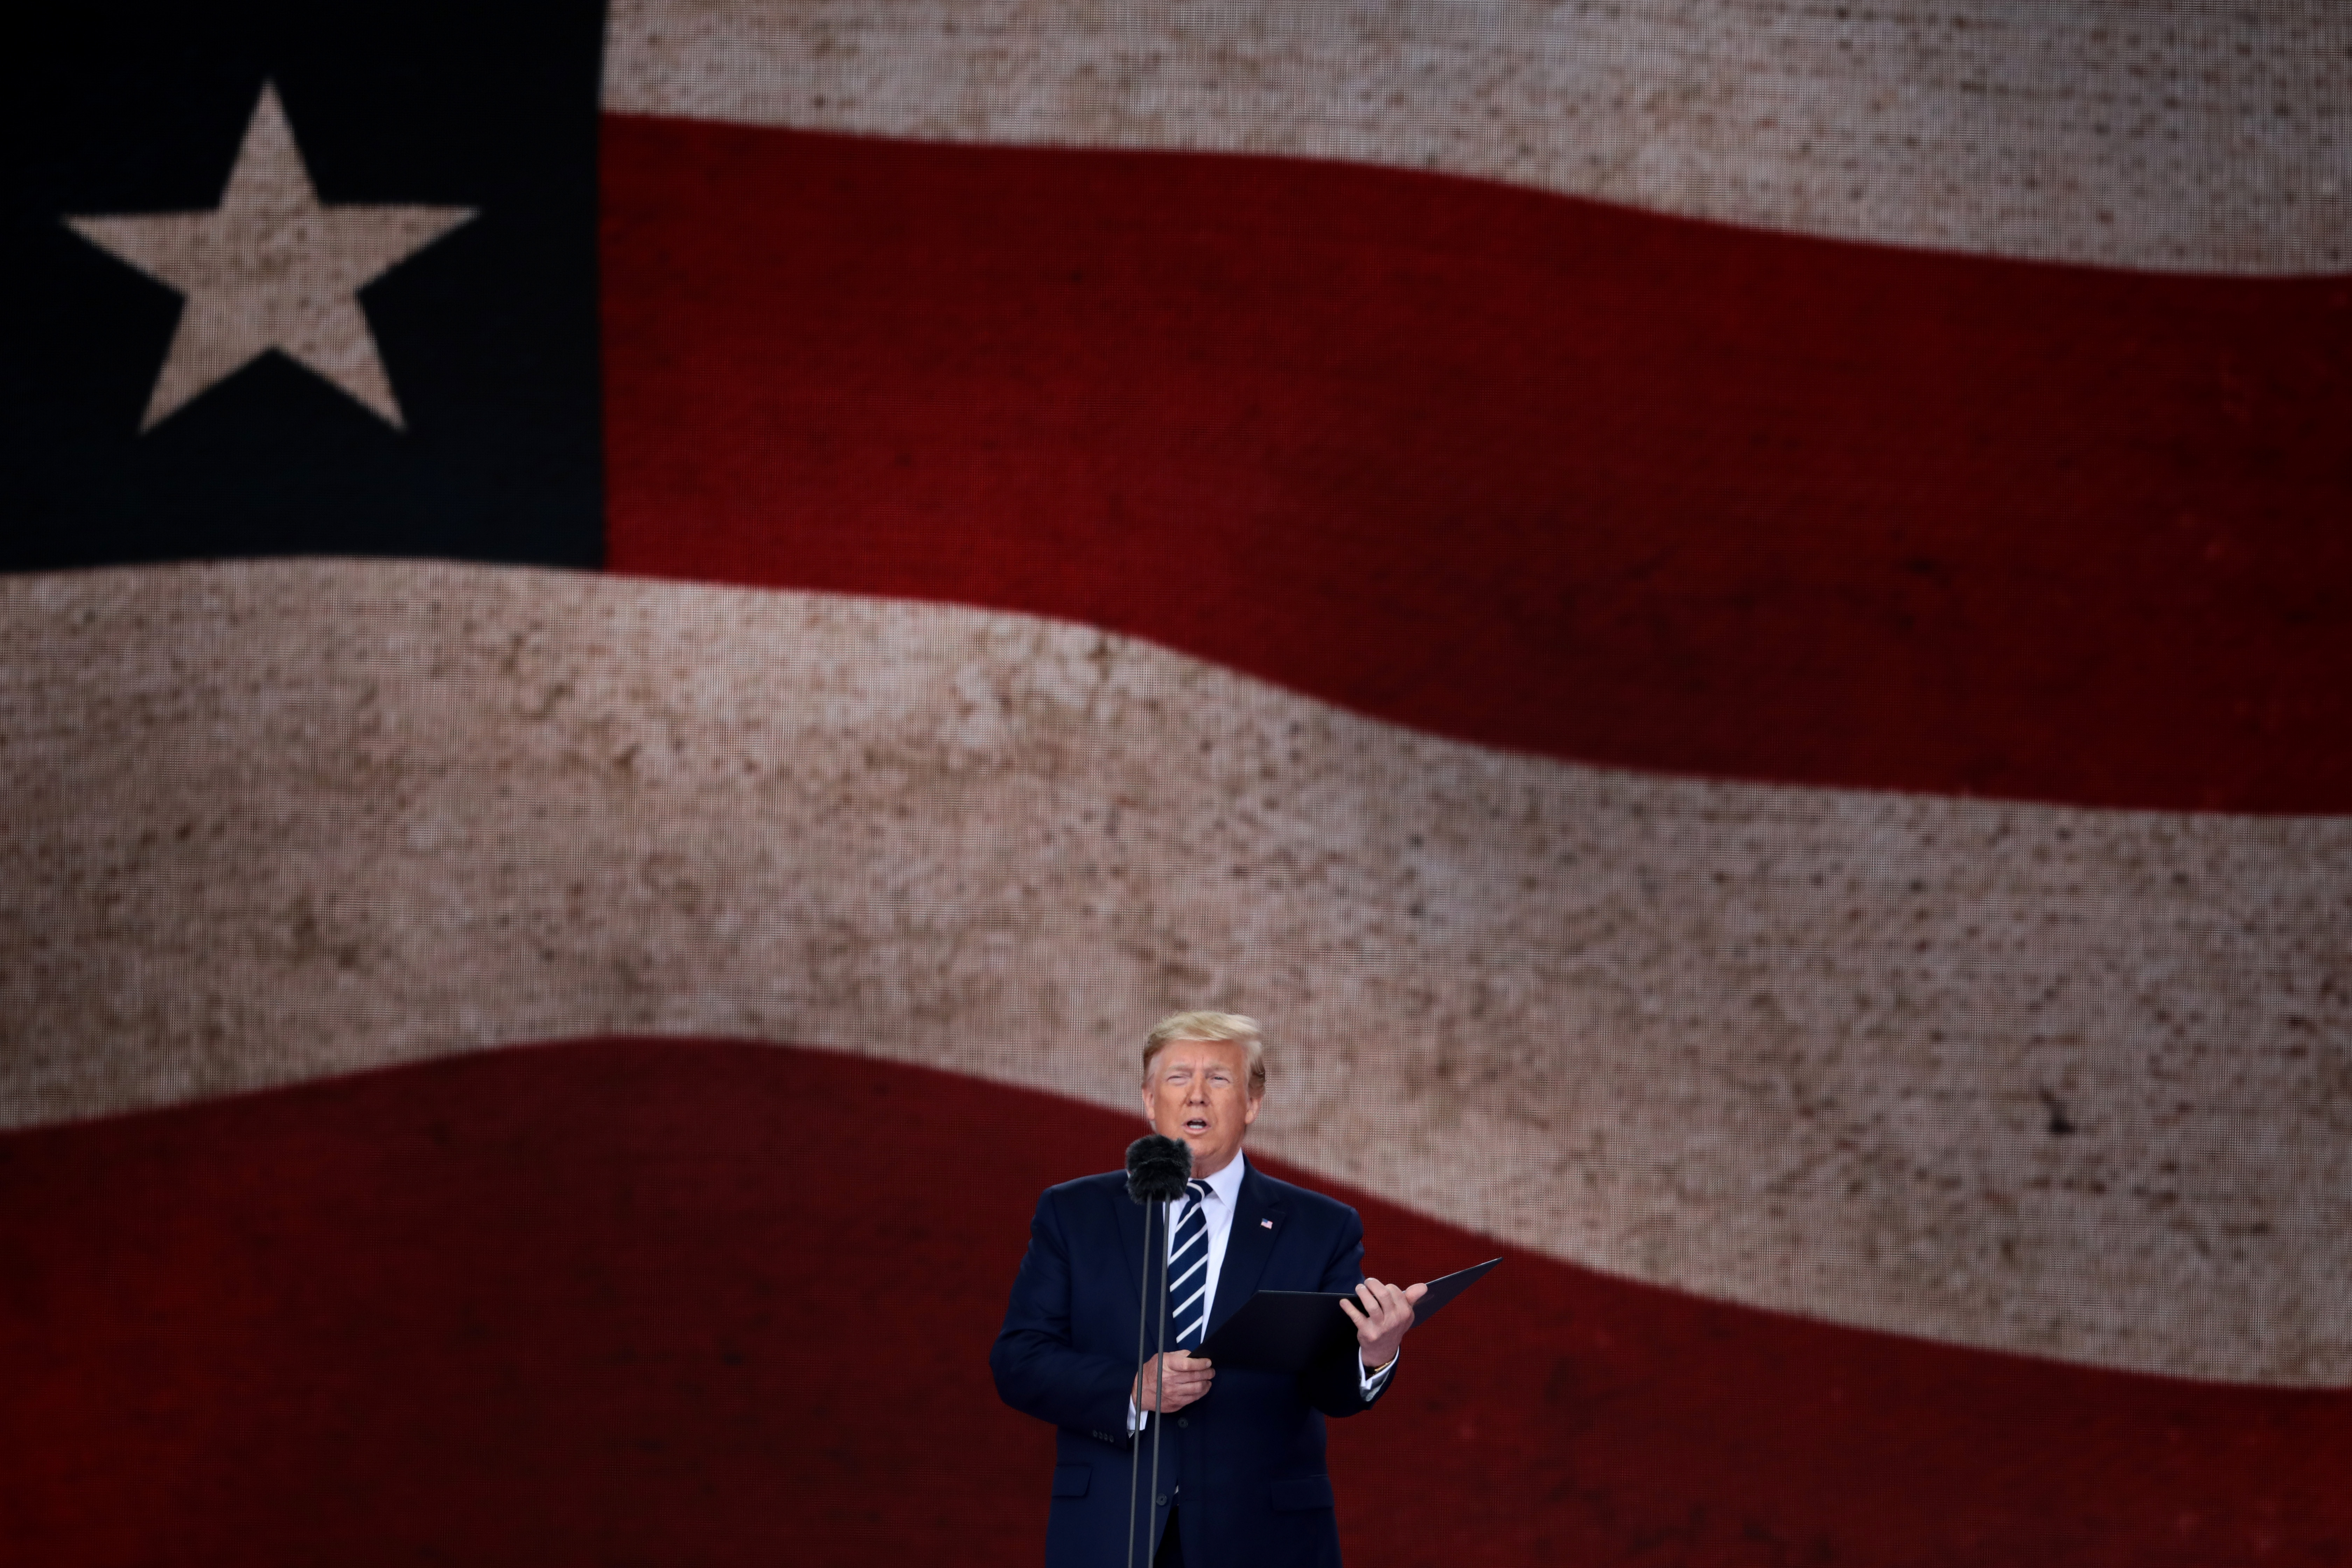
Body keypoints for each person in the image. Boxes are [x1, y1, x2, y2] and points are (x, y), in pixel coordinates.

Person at [991, 1011, 1427, 1568]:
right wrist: (1130, 1389)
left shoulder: (1322, 1226)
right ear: (1150, 1100)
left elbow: (1332, 1390)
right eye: (1178, 1078)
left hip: (1265, 1541)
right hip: (1112, 1536)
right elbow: (1019, 1361)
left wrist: (1375, 1352)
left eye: (1218, 1079)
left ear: (1252, 1103)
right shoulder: (1075, 1214)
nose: (1197, 1096)